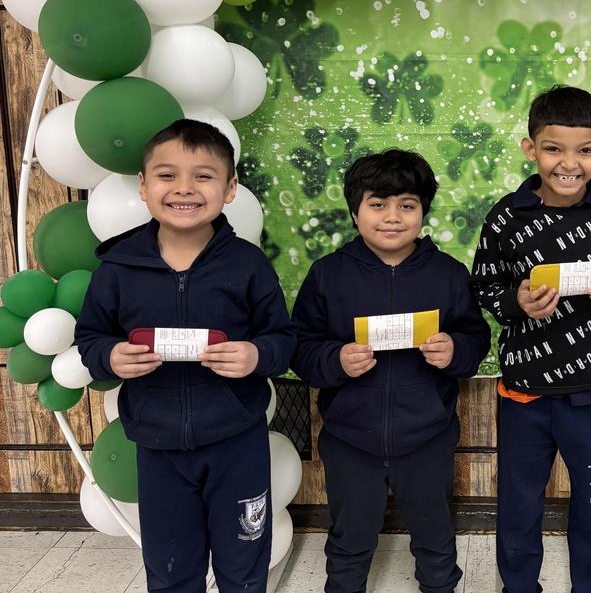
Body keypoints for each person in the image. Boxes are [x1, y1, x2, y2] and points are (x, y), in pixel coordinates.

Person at [76, 119, 296, 592]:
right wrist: (110, 357)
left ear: (230, 188)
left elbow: (283, 339)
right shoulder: (117, 269)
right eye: (167, 175)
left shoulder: (248, 264)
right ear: (143, 186)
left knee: (244, 568)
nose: (184, 188)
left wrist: (256, 355)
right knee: (172, 570)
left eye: (203, 176)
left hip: (238, 441)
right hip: (158, 448)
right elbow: (90, 338)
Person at [470, 85, 591, 593]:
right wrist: (516, 302)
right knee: (518, 505)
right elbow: (484, 286)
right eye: (553, 149)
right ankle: (518, 586)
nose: (569, 164)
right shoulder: (506, 216)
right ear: (531, 149)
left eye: (584, 150)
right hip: (525, 393)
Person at [290, 149, 491, 593]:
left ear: (423, 211)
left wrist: (454, 350)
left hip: (427, 437)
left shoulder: (448, 274)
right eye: (378, 204)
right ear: (355, 212)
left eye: (407, 205)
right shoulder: (328, 275)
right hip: (350, 439)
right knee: (349, 539)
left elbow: (476, 340)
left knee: (435, 536)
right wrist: (336, 360)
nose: (393, 217)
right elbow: (300, 348)